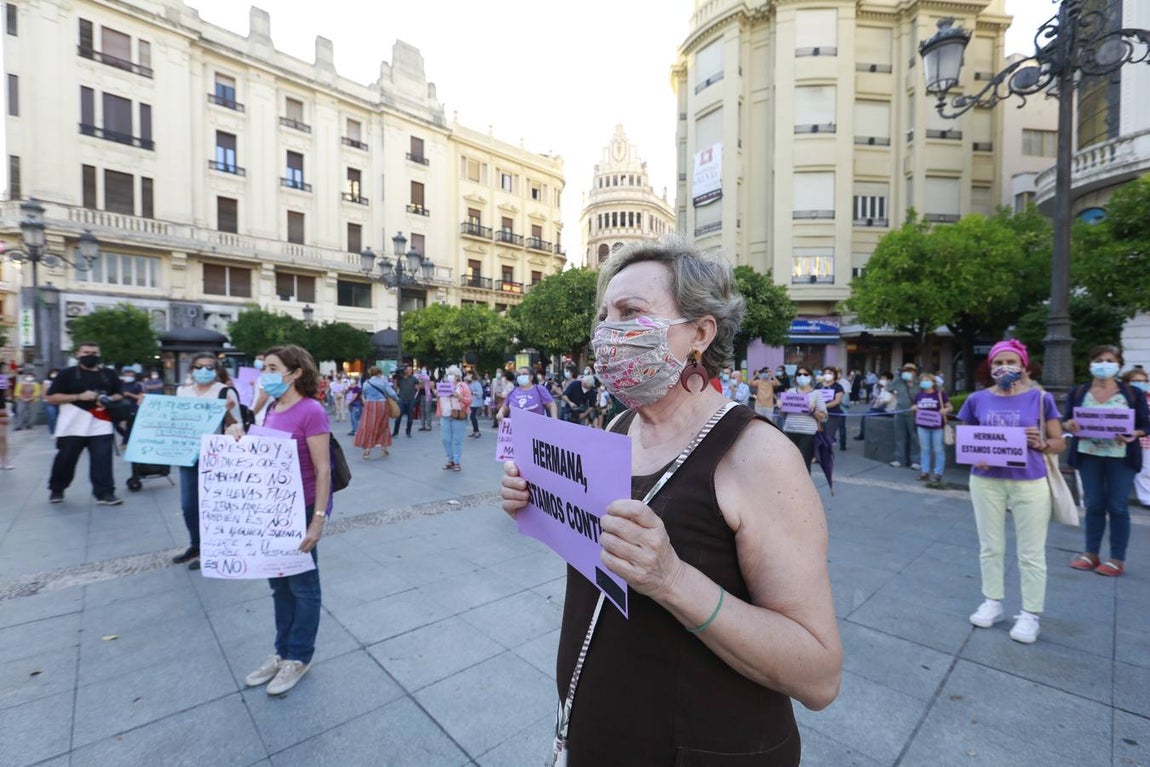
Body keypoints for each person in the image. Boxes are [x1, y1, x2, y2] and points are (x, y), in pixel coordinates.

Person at [499, 241, 841, 764]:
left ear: (700, 333)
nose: (606, 335)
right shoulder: (618, 427)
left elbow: (817, 675)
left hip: (706, 749)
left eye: (630, 314)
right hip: (600, 735)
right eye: (604, 317)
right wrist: (540, 499)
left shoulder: (758, 455)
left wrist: (673, 580)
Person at [234, 344, 330, 696]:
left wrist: (317, 520)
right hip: (271, 511)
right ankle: (282, 651)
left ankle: (299, 657)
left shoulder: (311, 411)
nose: (265, 375)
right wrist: (238, 437)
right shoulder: (273, 407)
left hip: (300, 509)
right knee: (279, 585)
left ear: (295, 372)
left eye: (273, 368)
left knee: (304, 587)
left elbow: (323, 469)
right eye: (264, 368)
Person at [957, 339, 1065, 644]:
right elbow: (962, 438)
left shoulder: (1040, 399)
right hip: (986, 480)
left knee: (1031, 551)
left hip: (1029, 480)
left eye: (1011, 362)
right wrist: (974, 453)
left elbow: (1060, 441)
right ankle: (993, 601)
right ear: (989, 367)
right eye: (998, 363)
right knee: (989, 545)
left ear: (1024, 366)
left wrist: (1042, 443)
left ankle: (1030, 614)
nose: (1004, 367)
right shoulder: (977, 399)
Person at [1063, 346, 1150, 578]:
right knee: (1094, 504)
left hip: (1120, 458)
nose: (1104, 364)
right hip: (1088, 455)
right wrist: (1069, 425)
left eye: (1110, 360)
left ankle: (1116, 559)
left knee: (1118, 506)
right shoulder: (1079, 391)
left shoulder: (1132, 393)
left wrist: (1135, 434)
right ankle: (1090, 553)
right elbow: (1066, 420)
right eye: (1099, 360)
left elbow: (1145, 424)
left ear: (1119, 365)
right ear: (1090, 363)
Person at [170, 352, 241, 570]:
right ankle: (196, 544)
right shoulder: (182, 391)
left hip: (216, 458)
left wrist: (227, 413)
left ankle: (213, 549)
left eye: (209, 367)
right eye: (199, 366)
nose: (204, 371)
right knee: (189, 505)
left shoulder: (224, 392)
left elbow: (236, 426)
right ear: (192, 369)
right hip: (189, 455)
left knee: (213, 507)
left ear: (216, 370)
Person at [44, 343, 125, 505]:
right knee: (66, 459)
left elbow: (119, 394)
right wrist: (79, 396)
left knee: (103, 460)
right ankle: (57, 489)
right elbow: (51, 398)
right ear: (78, 354)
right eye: (86, 352)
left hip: (101, 424)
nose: (90, 355)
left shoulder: (108, 374)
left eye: (94, 352)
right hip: (72, 425)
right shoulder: (67, 374)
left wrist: (108, 399)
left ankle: (105, 493)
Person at [782, 365, 828, 472]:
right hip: (789, 430)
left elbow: (824, 417)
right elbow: (783, 414)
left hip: (808, 433)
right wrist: (781, 406)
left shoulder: (817, 394)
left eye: (805, 374)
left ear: (811, 377)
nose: (802, 377)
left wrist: (812, 410)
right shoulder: (790, 392)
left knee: (804, 463)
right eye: (799, 374)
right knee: (788, 462)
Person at [912, 372, 951, 488]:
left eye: (927, 379)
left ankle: (938, 473)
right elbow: (915, 406)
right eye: (923, 379)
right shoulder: (919, 395)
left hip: (937, 426)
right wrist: (914, 408)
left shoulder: (940, 394)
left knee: (938, 449)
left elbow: (950, 406)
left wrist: (946, 410)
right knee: (924, 449)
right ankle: (925, 472)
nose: (924, 381)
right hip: (922, 426)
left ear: (933, 382)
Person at [356, 366, 397, 459]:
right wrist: (396, 399)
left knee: (369, 426)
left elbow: (364, 394)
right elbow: (392, 393)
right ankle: (383, 449)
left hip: (370, 404)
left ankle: (367, 450)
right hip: (382, 404)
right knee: (383, 425)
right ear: (380, 373)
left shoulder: (366, 383)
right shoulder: (383, 381)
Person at [438, 365, 472, 471]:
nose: (450, 376)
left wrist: (458, 396)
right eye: (448, 374)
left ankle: (456, 461)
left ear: (457, 376)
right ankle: (450, 459)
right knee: (445, 439)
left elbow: (469, 400)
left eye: (452, 374)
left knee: (457, 440)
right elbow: (439, 398)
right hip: (445, 415)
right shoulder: (443, 385)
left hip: (458, 415)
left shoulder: (463, 386)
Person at [889, 363, 920, 470]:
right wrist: (897, 375)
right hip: (899, 412)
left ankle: (915, 461)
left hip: (914, 414)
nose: (908, 373)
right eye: (906, 371)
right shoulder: (899, 382)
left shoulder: (919, 383)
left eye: (910, 370)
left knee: (914, 437)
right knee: (899, 437)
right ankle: (900, 459)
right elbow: (889, 387)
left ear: (915, 372)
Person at [816, 368, 846, 452]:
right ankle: (817, 455)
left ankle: (826, 456)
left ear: (834, 375)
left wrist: (823, 406)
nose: (827, 375)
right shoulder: (819, 385)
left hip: (832, 415)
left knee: (828, 436)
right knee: (818, 435)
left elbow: (837, 401)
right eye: (825, 373)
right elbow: (813, 396)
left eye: (829, 373)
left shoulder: (838, 387)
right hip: (818, 414)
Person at [390, 365, 417, 438]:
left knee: (410, 418)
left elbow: (418, 386)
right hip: (401, 399)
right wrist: (394, 381)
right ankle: (395, 432)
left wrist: (423, 381)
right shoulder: (400, 378)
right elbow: (395, 388)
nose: (410, 371)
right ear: (404, 371)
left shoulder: (413, 378)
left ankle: (408, 432)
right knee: (398, 417)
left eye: (411, 370)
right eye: (409, 369)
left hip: (411, 400)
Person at [42, 369, 61, 435]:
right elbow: (43, 394)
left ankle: (59, 431)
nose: (55, 375)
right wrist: (49, 400)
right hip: (49, 403)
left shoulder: (61, 382)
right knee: (52, 417)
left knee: (59, 418)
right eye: (53, 373)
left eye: (56, 373)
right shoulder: (47, 382)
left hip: (60, 402)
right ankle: (52, 432)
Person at [467, 371, 484, 438]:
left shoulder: (476, 383)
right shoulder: (470, 383)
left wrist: (472, 392)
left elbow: (480, 393)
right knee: (472, 416)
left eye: (468, 375)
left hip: (475, 402)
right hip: (471, 402)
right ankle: (475, 431)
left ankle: (477, 431)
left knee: (472, 416)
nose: (467, 376)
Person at [0, 374, 11, 470]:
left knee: (2, 436)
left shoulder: (2, 378)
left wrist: (7, 386)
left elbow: (7, 394)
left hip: (1, 408)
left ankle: (4, 462)